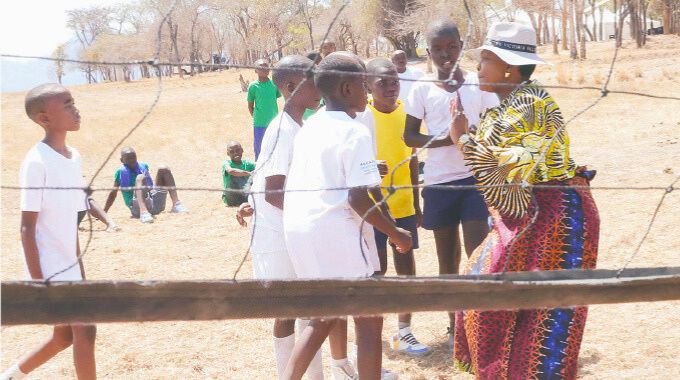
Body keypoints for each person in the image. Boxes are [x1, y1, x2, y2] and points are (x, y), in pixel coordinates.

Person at [450, 22, 600, 379]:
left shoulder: (530, 105)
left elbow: (510, 173)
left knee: (542, 327)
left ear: (507, 66)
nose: (478, 68)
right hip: (523, 218)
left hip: (557, 222)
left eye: (484, 59)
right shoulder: (503, 109)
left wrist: (462, 140)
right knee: (488, 302)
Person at [282, 52, 412, 380]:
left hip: (300, 231)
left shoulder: (310, 126)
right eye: (362, 84)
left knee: (322, 316)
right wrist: (396, 234)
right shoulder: (355, 131)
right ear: (345, 88)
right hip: (336, 232)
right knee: (369, 319)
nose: (367, 92)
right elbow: (358, 196)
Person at [403, 19, 499, 345]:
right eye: (438, 50)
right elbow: (410, 136)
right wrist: (449, 138)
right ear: (428, 52)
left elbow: (494, 123)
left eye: (452, 47)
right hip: (439, 184)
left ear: (461, 46)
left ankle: (479, 324)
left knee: (477, 253)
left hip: (474, 179)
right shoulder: (421, 89)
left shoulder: (476, 84)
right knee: (448, 259)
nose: (446, 55)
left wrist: (475, 139)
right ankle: (455, 325)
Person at [1, 83, 97, 380]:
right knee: (86, 330)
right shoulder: (36, 162)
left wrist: (80, 267)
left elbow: (72, 220)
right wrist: (38, 283)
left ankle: (10, 375)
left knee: (64, 336)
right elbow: (27, 228)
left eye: (73, 101)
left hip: (70, 262)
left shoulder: (74, 156)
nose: (75, 109)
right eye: (66, 105)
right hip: (48, 266)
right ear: (44, 119)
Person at [245, 55, 326, 380]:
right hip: (278, 235)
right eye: (312, 80)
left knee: (310, 309)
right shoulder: (282, 130)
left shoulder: (298, 125)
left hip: (295, 232)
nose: (320, 87)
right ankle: (286, 374)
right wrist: (313, 214)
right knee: (287, 311)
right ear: (292, 87)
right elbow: (273, 192)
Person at [355, 58, 429, 357]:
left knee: (407, 268)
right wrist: (372, 167)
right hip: (372, 208)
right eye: (381, 82)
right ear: (368, 86)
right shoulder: (362, 118)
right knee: (378, 270)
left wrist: (416, 200)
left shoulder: (406, 115)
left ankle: (404, 332)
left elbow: (412, 159)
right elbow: (357, 164)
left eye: (394, 81)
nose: (389, 87)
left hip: (404, 205)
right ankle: (373, 335)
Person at [103, 147, 187, 223]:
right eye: (128, 158)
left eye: (134, 157)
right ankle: (144, 212)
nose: (132, 160)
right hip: (137, 209)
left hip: (154, 203)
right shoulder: (120, 172)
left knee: (163, 168)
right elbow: (113, 193)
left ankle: (176, 204)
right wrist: (104, 212)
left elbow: (150, 187)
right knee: (140, 177)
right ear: (122, 160)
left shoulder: (144, 166)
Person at [247, 58, 282, 160]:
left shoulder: (274, 84)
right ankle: (258, 168)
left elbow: (276, 96)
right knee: (259, 147)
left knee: (275, 146)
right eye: (261, 67)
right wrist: (256, 116)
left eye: (266, 67)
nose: (264, 69)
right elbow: (250, 105)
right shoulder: (253, 86)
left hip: (274, 121)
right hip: (259, 123)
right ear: (255, 70)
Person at [222, 141, 255, 207]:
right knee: (235, 177)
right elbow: (231, 171)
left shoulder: (247, 163)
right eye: (232, 152)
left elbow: (259, 167)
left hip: (246, 194)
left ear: (242, 150)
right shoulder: (226, 163)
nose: (235, 153)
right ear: (228, 153)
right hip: (232, 197)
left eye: (237, 150)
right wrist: (249, 173)